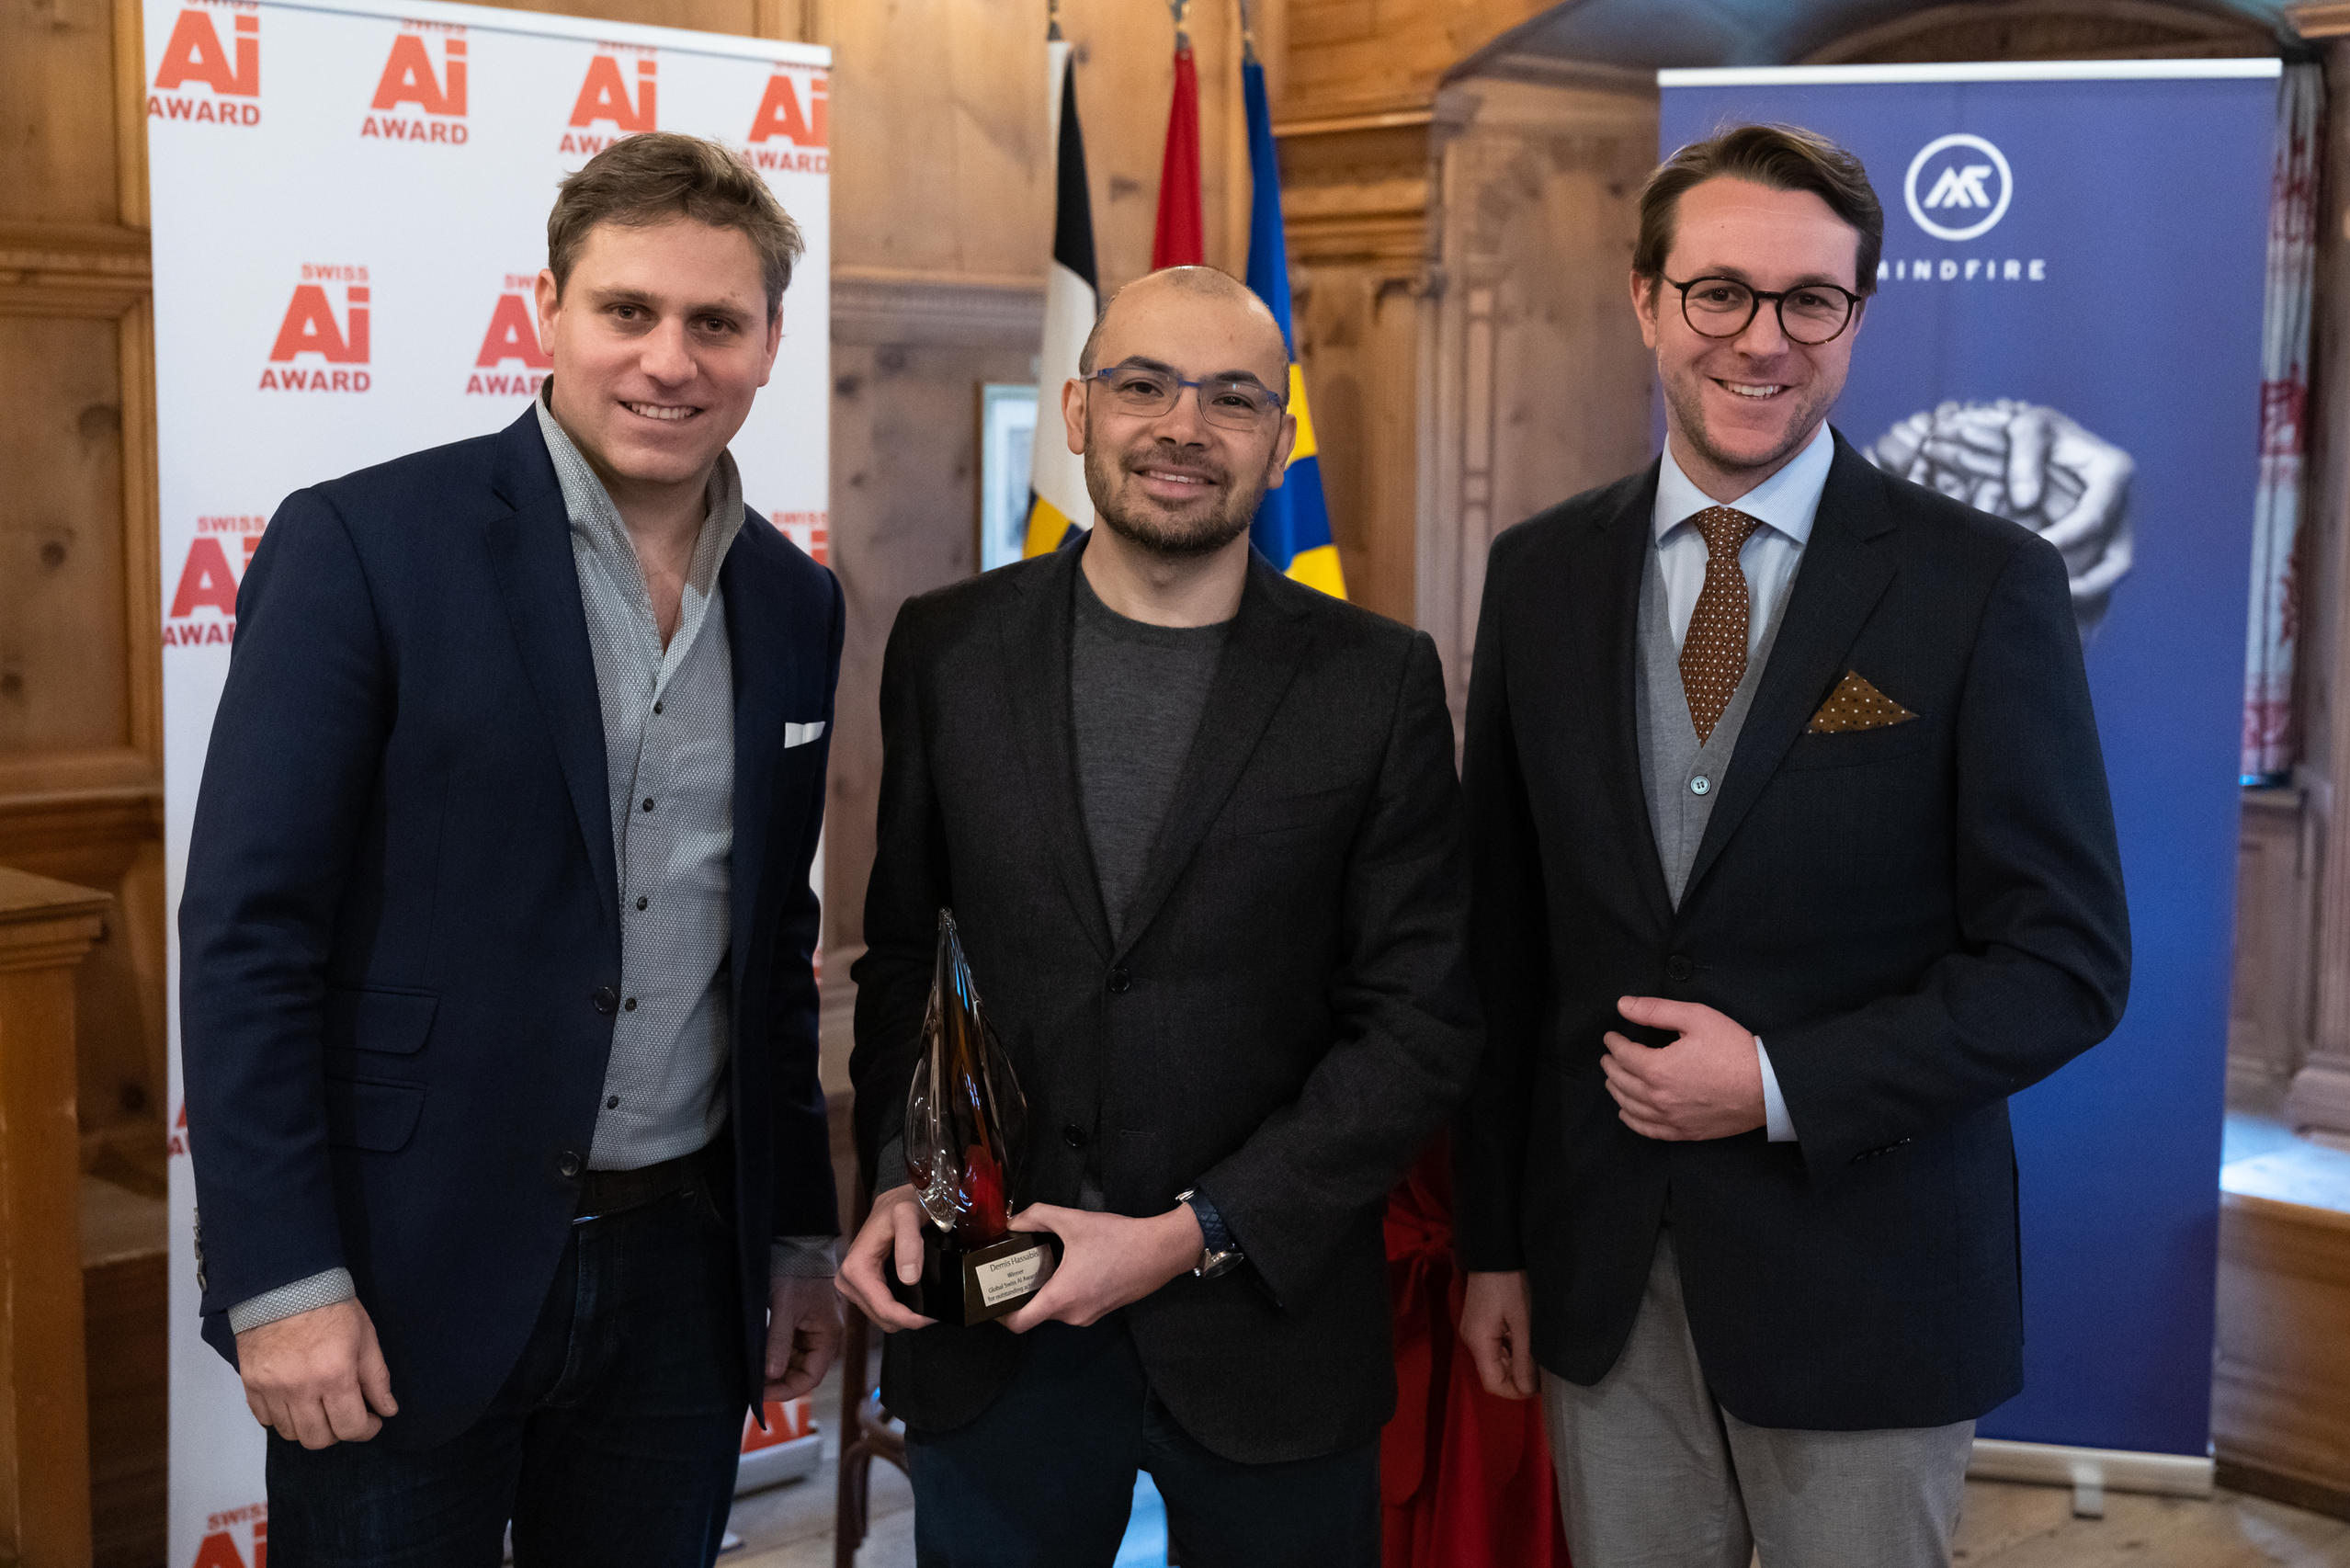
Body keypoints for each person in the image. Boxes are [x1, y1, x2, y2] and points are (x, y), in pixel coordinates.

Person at [1452, 123, 2131, 1568]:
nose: (1762, 340)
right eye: (1719, 294)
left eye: (1808, 301)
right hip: (1602, 1280)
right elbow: (1503, 952)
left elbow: (2065, 964)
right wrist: (1495, 1242)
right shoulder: (1539, 575)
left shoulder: (1983, 585)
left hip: (1871, 1282)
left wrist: (1772, 1082)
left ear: (1856, 319)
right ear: (1647, 300)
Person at [178, 132, 845, 1565]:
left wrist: (795, 1235)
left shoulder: (798, 603)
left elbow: (769, 949)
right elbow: (249, 936)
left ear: (771, 345)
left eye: (716, 323)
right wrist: (281, 1276)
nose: (670, 360)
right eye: (629, 311)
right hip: (401, 1269)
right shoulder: (367, 542)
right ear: (551, 308)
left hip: (683, 1274)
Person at [836, 266, 1481, 1567]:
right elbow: (910, 949)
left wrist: (1191, 1233)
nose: (1184, 426)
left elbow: (1419, 1024)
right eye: (1143, 385)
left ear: (1279, 439)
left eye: (1233, 397)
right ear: (1077, 411)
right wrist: (907, 1175)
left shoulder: (1378, 681)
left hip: (1269, 1331)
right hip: (995, 1322)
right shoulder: (947, 648)